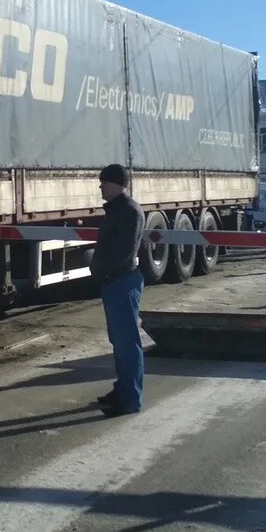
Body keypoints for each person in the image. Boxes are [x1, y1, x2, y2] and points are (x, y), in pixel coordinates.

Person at [91, 164, 147, 418]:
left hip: (122, 283)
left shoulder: (128, 211)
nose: (100, 186)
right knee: (119, 342)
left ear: (117, 184)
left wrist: (104, 271)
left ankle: (130, 399)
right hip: (115, 283)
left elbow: (124, 252)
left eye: (104, 182)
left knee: (127, 344)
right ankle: (123, 389)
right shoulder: (118, 210)